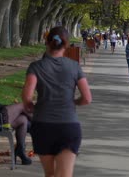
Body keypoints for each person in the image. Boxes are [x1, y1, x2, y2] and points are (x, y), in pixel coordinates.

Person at [22, 26, 92, 177]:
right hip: (68, 126)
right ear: (66, 45)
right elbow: (87, 98)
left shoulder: (35, 67)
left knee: (50, 174)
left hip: (43, 126)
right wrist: (74, 102)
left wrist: (34, 108)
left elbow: (27, 97)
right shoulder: (74, 67)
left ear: (46, 42)